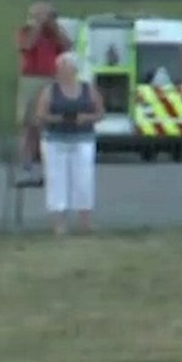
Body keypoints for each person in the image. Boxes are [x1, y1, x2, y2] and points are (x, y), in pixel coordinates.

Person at [34, 52, 103, 235]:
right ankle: (59, 223)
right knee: (57, 180)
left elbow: (100, 113)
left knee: (84, 180)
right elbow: (40, 114)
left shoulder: (88, 89)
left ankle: (85, 222)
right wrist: (58, 119)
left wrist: (86, 118)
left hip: (83, 139)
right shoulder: (50, 90)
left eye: (66, 67)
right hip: (55, 140)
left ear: (74, 69)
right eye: (60, 68)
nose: (62, 71)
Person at [13, 2, 72, 186]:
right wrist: (38, 24)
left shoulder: (53, 35)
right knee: (29, 126)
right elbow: (27, 46)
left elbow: (67, 46)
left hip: (51, 79)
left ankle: (49, 170)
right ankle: (26, 168)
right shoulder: (25, 31)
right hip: (31, 79)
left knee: (48, 126)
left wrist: (53, 26)